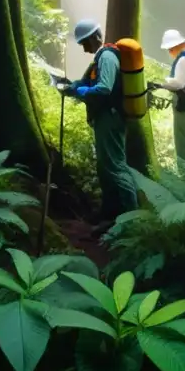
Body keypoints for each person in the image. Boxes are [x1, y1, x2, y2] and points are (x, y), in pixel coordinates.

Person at [61, 18, 139, 233]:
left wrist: (79, 92)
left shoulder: (107, 57)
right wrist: (74, 85)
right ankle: (110, 214)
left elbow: (104, 88)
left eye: (85, 42)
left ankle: (132, 221)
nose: (84, 48)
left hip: (111, 118)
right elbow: (90, 82)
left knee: (116, 167)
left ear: (96, 37)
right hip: (104, 118)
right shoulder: (100, 57)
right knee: (105, 168)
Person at [150, 28, 185, 166]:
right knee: (184, 139)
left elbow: (179, 84)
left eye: (169, 49)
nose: (169, 52)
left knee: (183, 142)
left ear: (175, 46)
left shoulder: (182, 60)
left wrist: (161, 85)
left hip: (184, 103)